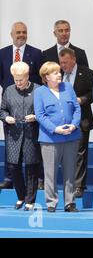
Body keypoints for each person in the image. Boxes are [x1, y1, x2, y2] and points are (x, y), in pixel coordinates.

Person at [0, 22, 43, 190]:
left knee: (33, 144)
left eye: (24, 32)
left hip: (30, 104)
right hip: (10, 104)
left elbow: (39, 80)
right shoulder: (2, 53)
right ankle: (10, 177)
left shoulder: (36, 53)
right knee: (11, 141)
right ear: (12, 34)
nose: (21, 35)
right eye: (18, 32)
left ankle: (37, 178)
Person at [34, 62, 81, 212]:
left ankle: (70, 202)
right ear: (46, 76)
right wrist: (55, 129)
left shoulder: (68, 87)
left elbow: (76, 108)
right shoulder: (40, 92)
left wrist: (74, 125)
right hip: (50, 139)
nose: (59, 74)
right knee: (50, 172)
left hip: (70, 137)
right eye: (55, 73)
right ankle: (51, 203)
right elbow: (40, 115)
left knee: (70, 171)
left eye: (59, 72)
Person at [0, 62, 41, 210]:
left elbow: (44, 111)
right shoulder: (9, 90)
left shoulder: (38, 90)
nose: (18, 83)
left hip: (31, 134)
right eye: (16, 80)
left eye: (21, 80)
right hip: (13, 135)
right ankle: (21, 196)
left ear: (27, 76)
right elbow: (2, 110)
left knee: (31, 167)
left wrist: (35, 116)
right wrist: (6, 117)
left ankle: (30, 200)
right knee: (13, 167)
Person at [58, 48, 93, 198]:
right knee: (64, 154)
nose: (63, 65)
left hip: (81, 120)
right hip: (62, 122)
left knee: (80, 153)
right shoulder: (57, 74)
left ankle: (79, 186)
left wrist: (81, 100)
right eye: (61, 63)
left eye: (65, 62)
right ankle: (67, 184)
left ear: (73, 60)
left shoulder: (87, 73)